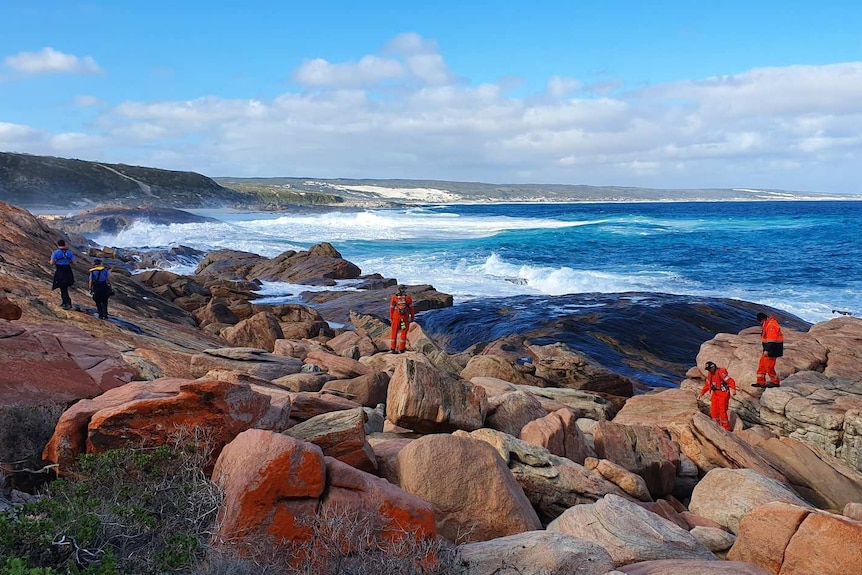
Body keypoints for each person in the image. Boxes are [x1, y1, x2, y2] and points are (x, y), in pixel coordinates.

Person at [699, 361, 737, 430]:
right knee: (713, 410)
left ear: (713, 367)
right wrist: (702, 393)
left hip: (723, 394)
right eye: (708, 370)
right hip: (715, 394)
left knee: (722, 411)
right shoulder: (710, 374)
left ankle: (726, 427)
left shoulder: (721, 373)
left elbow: (730, 381)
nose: (709, 371)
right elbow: (707, 385)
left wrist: (733, 389)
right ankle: (716, 424)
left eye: (709, 369)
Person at [754, 312, 783, 388]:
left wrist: (767, 350)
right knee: (762, 364)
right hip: (768, 349)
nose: (760, 323)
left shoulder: (771, 325)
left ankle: (775, 382)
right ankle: (760, 382)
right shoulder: (767, 323)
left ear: (763, 319)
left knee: (769, 367)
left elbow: (772, 340)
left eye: (760, 321)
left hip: (773, 350)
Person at [49, 239, 76, 309]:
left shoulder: (55, 253)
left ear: (58, 245)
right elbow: (75, 263)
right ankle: (65, 302)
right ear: (64, 244)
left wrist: (56, 261)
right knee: (64, 287)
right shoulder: (69, 252)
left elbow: (51, 263)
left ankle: (67, 303)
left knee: (63, 287)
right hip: (68, 271)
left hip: (60, 271)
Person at [389, 284, 415, 353]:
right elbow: (411, 308)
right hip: (404, 318)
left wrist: (391, 317)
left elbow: (391, 309)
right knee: (403, 332)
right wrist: (412, 317)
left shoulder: (394, 298)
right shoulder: (408, 298)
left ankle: (393, 348)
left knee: (394, 332)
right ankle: (402, 349)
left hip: (395, 317)